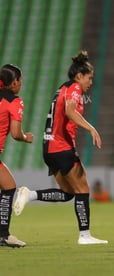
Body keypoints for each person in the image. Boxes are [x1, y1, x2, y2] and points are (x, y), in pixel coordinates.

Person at [13, 51, 108, 245]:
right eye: (89, 78)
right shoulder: (74, 88)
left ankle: (30, 194)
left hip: (49, 147)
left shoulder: (62, 88)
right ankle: (85, 236)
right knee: (83, 188)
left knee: (68, 193)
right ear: (79, 76)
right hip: (61, 146)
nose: (91, 82)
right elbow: (70, 111)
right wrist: (91, 128)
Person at [0, 64, 33, 248]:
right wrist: (27, 137)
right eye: (20, 80)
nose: (21, 84)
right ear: (13, 83)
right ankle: (3, 235)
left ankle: (3, 234)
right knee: (9, 187)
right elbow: (15, 133)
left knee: (8, 185)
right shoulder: (15, 101)